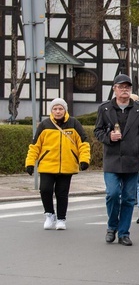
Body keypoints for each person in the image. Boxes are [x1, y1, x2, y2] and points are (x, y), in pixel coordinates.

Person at [94, 74, 139, 246]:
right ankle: (112, 227)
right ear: (115, 89)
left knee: (128, 198)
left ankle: (124, 233)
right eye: (121, 87)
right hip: (112, 160)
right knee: (112, 194)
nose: (125, 90)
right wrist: (109, 136)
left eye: (127, 87)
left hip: (132, 160)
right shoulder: (105, 108)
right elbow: (97, 131)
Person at [25, 98, 91, 230]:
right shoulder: (44, 125)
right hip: (47, 165)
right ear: (51, 110)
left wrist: (84, 160)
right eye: (55, 109)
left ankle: (61, 219)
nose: (58, 111)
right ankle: (49, 214)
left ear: (65, 110)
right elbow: (35, 146)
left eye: (60, 108)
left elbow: (83, 144)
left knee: (62, 193)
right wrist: (30, 162)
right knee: (45, 190)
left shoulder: (74, 123)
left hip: (67, 165)